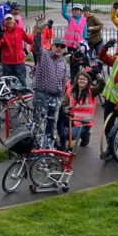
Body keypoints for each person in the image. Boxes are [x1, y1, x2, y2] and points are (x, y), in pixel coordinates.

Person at [32, 14, 70, 148]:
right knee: (39, 125)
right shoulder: (43, 55)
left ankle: (48, 151)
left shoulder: (63, 63)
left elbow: (63, 82)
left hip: (55, 98)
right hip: (42, 95)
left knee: (51, 127)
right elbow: (36, 46)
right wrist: (38, 32)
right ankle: (36, 151)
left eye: (61, 46)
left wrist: (60, 99)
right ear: (52, 46)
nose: (59, 48)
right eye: (56, 46)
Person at [62, 70, 104, 148]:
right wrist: (66, 109)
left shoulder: (92, 91)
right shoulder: (70, 91)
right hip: (72, 119)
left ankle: (85, 134)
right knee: (62, 126)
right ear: (77, 80)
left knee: (69, 135)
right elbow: (64, 103)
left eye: (84, 79)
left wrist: (99, 77)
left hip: (84, 123)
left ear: (88, 81)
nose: (82, 81)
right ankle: (64, 144)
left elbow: (101, 86)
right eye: (80, 79)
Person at [0, 14, 32, 87]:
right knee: (8, 84)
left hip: (19, 62)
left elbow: (29, 40)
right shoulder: (3, 32)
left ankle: (21, 97)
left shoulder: (19, 30)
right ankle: (9, 97)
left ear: (14, 21)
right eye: (7, 20)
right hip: (7, 63)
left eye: (10, 19)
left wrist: (36, 31)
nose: (9, 21)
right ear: (4, 22)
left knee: (22, 83)